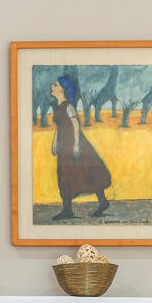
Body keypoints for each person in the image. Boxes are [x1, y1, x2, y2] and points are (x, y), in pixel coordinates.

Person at [50, 76, 111, 220]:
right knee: (65, 176)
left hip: (74, 145)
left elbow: (76, 125)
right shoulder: (58, 107)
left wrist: (76, 144)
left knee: (87, 173)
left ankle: (103, 202)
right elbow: (58, 128)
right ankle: (67, 210)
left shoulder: (68, 107)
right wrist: (54, 143)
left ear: (62, 90)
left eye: (55, 85)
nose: (52, 86)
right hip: (63, 147)